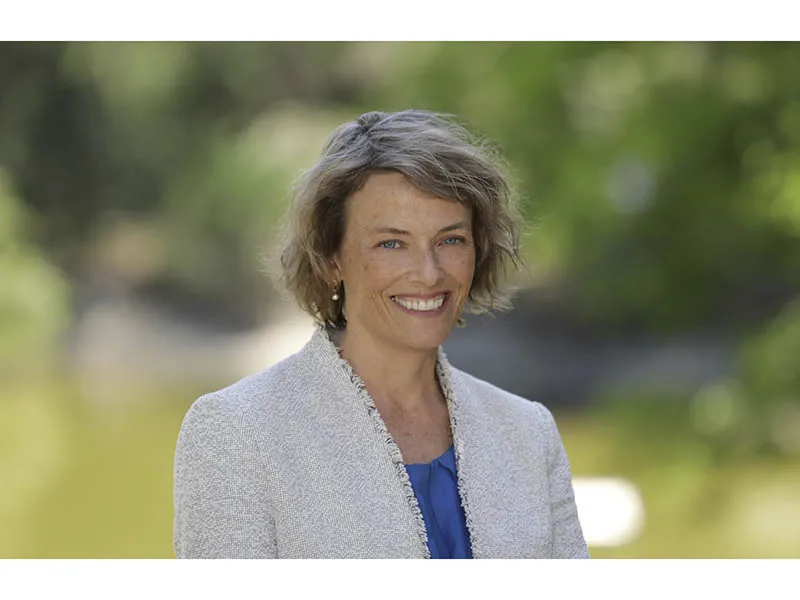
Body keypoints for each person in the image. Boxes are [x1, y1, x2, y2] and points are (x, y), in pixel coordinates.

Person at [173, 109, 589, 559]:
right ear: (331, 259)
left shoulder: (528, 432)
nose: (429, 273)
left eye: (451, 240)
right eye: (391, 243)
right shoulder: (236, 433)